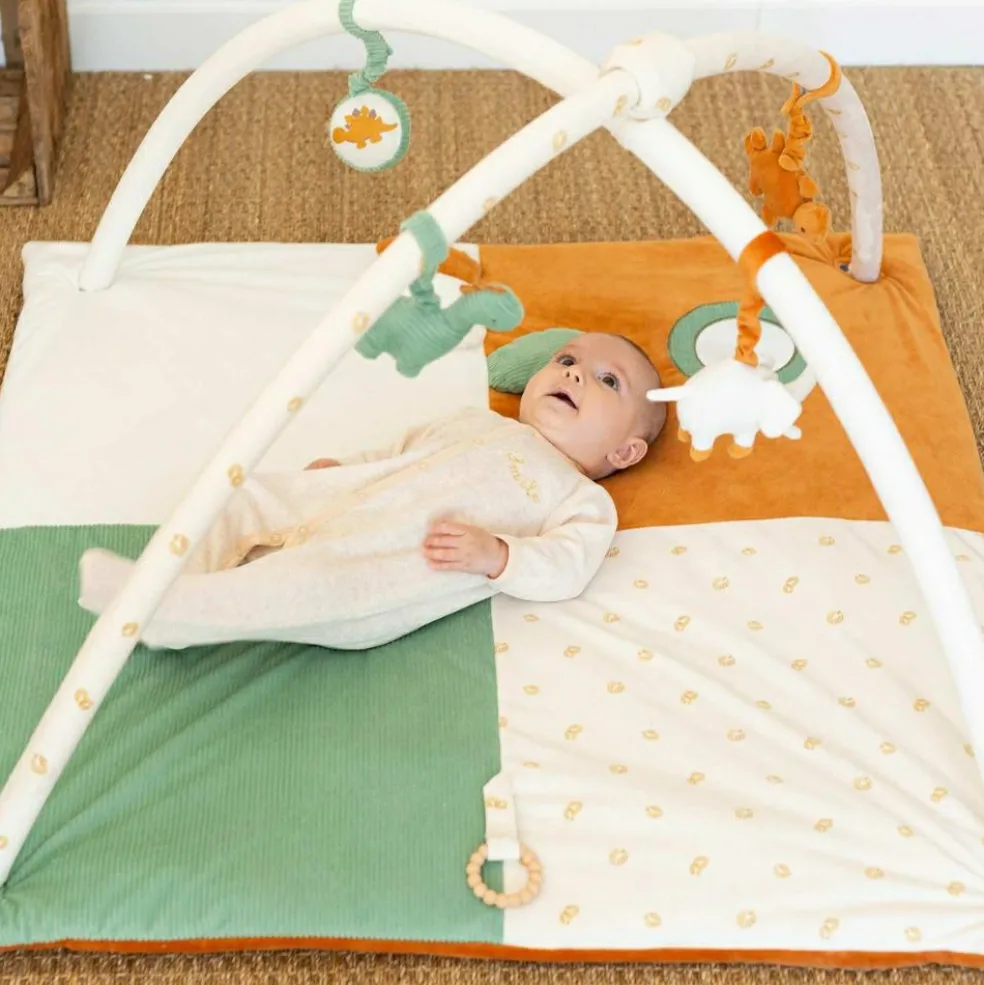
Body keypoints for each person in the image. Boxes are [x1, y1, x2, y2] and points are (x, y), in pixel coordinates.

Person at [78, 333, 666, 650]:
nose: (573, 373)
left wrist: (499, 556)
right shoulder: (477, 421)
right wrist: (341, 467)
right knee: (245, 494)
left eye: (607, 381)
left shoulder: (580, 498)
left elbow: (567, 567)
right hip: (337, 499)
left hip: (381, 572)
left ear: (625, 452)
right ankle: (166, 576)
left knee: (301, 583)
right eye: (566, 359)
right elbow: (398, 450)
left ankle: (176, 614)